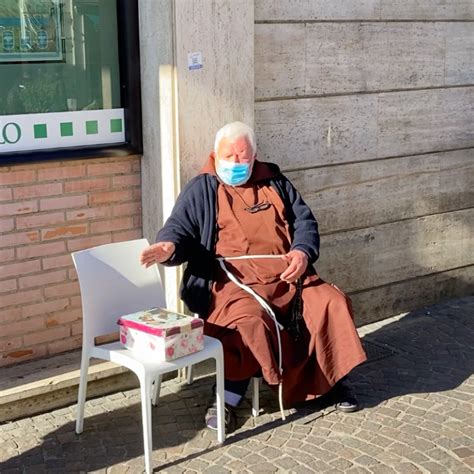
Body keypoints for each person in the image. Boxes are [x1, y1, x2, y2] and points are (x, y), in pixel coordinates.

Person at [140, 122, 367, 431]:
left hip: (288, 277)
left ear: (255, 155)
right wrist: (168, 247)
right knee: (247, 321)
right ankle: (227, 397)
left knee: (331, 301)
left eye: (243, 156)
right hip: (231, 284)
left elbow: (305, 222)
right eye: (229, 156)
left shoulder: (276, 181)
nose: (236, 163)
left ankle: (331, 383)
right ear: (215, 155)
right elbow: (178, 229)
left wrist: (301, 252)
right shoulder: (202, 188)